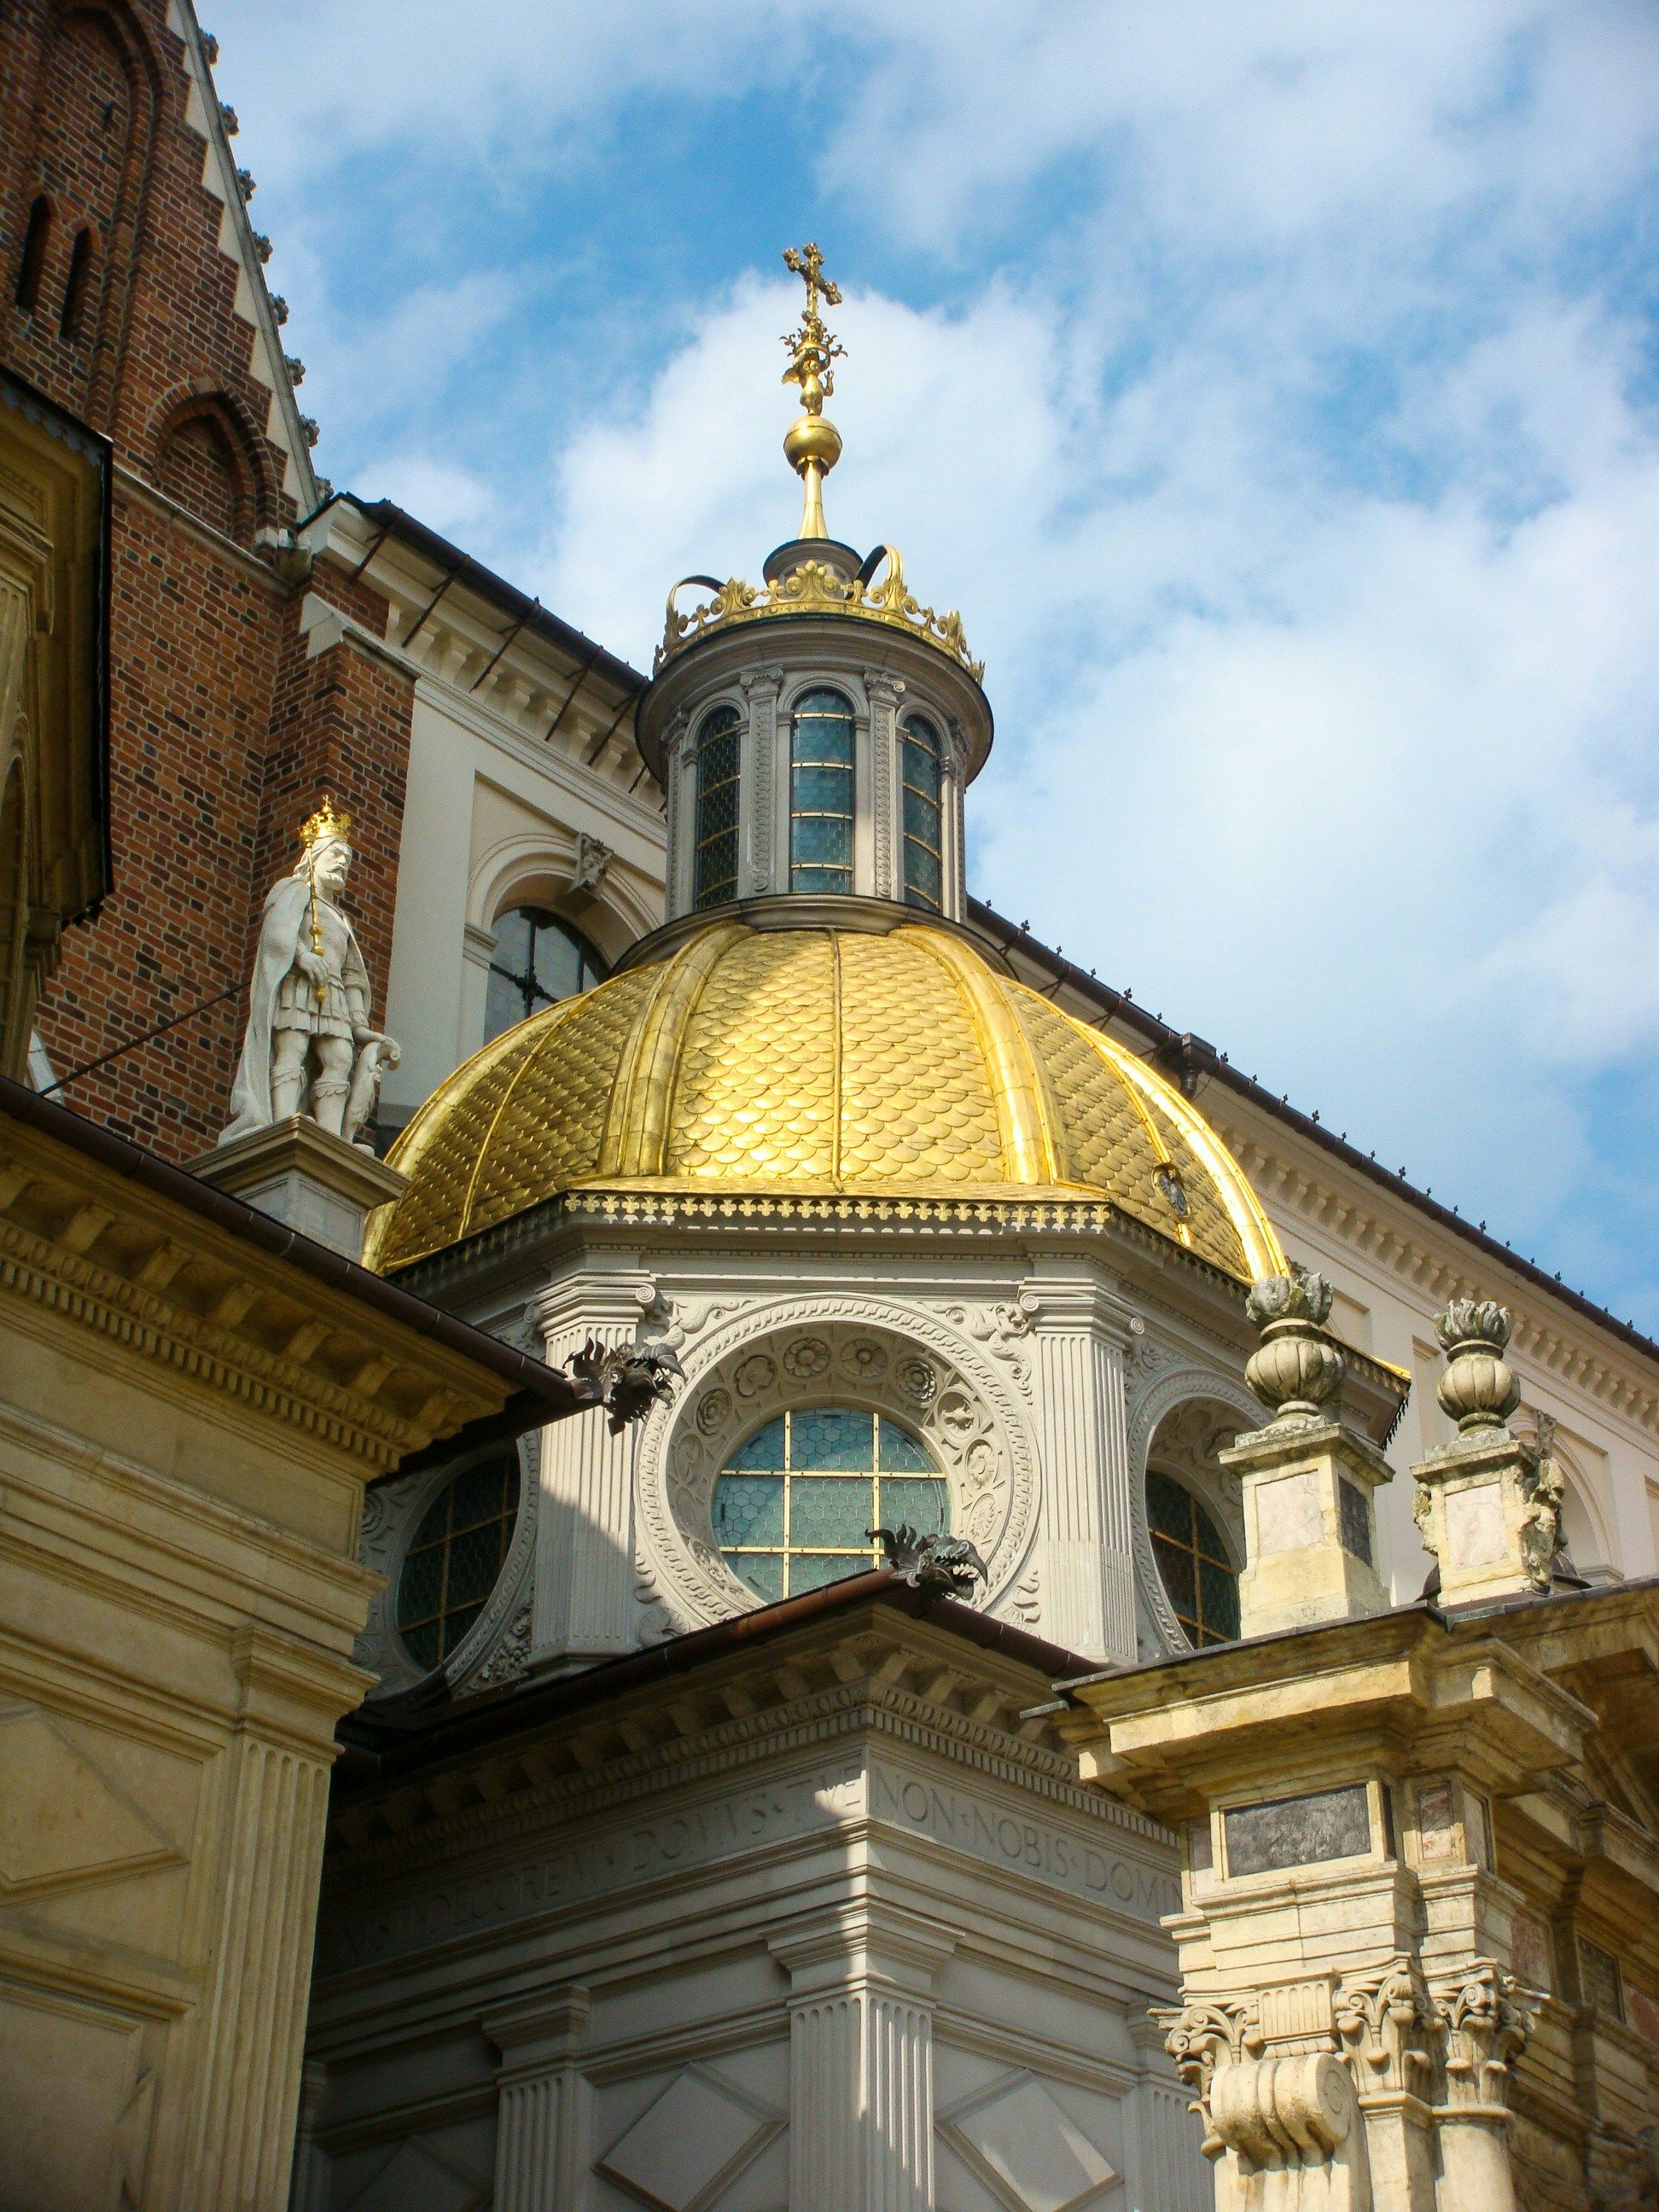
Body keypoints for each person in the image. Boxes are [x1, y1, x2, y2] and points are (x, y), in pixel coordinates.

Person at [223, 799, 399, 1144]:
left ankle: (332, 1137)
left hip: (333, 993)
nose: (342, 865)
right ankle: (283, 1122)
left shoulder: (341, 918)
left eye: (347, 860)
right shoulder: (295, 891)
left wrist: (360, 1025)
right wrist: (302, 956)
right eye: (335, 856)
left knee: (340, 1056)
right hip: (299, 983)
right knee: (293, 1047)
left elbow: (352, 975)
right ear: (314, 857)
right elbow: (276, 934)